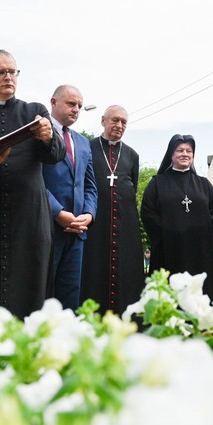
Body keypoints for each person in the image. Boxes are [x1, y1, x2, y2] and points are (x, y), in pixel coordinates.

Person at [0, 50, 64, 319]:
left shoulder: (35, 111)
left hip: (28, 217)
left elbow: (55, 156)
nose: (8, 77)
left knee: (30, 287)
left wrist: (48, 136)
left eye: (12, 72)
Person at [141, 134, 213, 302]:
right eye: (180, 150)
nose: (185, 154)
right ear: (171, 155)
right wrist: (167, 232)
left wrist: (202, 231)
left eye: (189, 151)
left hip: (202, 250)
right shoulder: (157, 183)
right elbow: (148, 212)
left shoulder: (203, 184)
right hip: (169, 249)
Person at [81, 105, 145, 315]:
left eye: (123, 122)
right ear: (103, 121)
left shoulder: (132, 155)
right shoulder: (87, 148)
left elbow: (132, 187)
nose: (119, 125)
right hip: (95, 227)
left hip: (125, 226)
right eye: (114, 120)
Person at [42, 85, 97, 310]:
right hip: (47, 229)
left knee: (70, 298)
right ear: (54, 102)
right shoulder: (39, 135)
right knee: (43, 295)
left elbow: (90, 185)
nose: (76, 110)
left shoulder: (83, 142)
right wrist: (57, 212)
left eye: (80, 106)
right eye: (71, 104)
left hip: (77, 233)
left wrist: (88, 214)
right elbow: (34, 180)